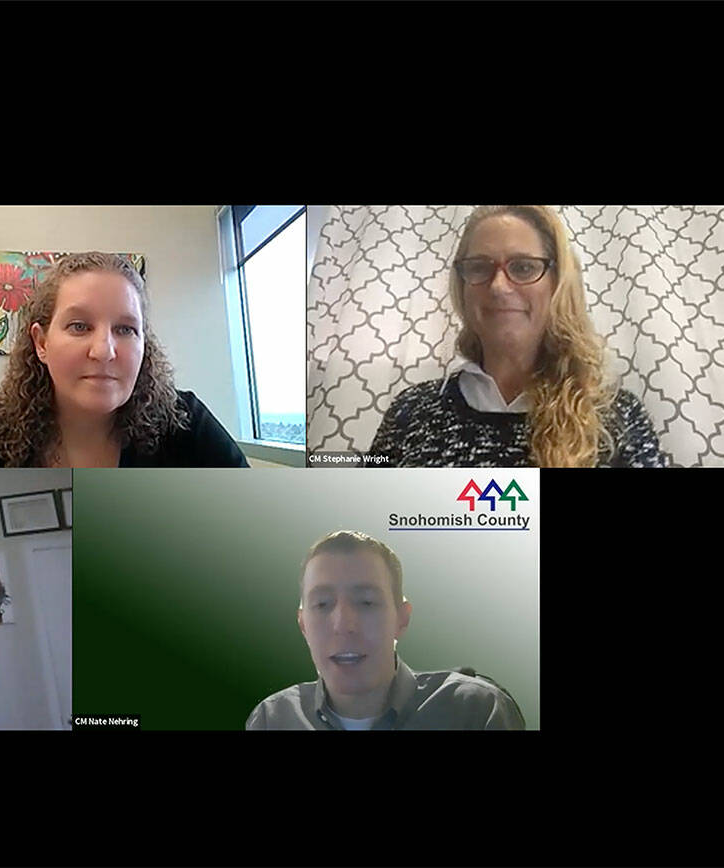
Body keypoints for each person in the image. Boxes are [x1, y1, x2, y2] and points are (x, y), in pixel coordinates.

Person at [367, 205, 666, 467]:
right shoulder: (410, 410)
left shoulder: (618, 417)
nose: (498, 286)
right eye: (480, 267)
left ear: (558, 283)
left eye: (523, 267)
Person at [0, 252, 249, 467]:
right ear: (41, 343)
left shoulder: (186, 424)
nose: (104, 350)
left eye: (125, 329)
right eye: (79, 326)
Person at [246, 531, 525, 730]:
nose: (344, 625)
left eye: (366, 602)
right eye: (322, 604)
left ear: (401, 619)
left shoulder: (475, 710)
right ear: (303, 625)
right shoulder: (272, 719)